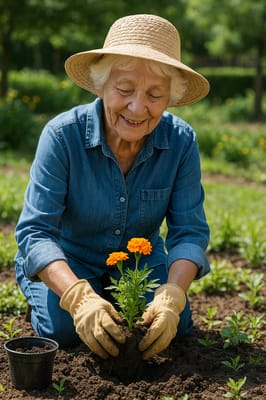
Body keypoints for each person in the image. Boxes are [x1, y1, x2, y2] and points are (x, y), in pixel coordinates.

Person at [15, 14, 210, 361]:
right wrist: (78, 297)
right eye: (124, 90)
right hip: (69, 258)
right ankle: (52, 292)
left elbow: (190, 232)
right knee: (64, 328)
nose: (138, 107)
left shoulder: (181, 142)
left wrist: (172, 295)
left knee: (175, 326)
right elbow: (36, 233)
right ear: (101, 86)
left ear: (170, 98)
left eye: (154, 94)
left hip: (139, 263)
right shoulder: (61, 136)